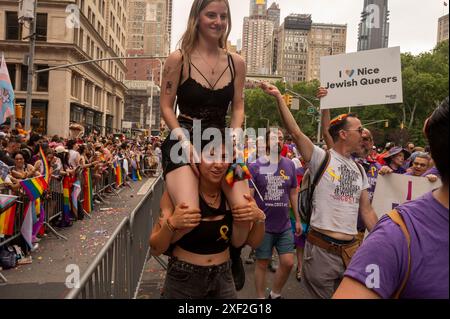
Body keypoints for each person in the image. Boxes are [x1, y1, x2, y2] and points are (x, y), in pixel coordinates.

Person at [259, 82, 378, 299]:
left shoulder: (360, 170)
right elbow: (295, 132)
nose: (363, 134)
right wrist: (278, 97)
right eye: (359, 129)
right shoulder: (322, 158)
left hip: (351, 253)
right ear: (343, 134)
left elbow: (367, 211)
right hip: (321, 253)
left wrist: (384, 238)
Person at [334, 97, 449, 299]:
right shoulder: (396, 235)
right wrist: (382, 239)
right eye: (360, 133)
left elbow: (368, 210)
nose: (364, 140)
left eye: (366, 136)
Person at [159, 0, 249, 219]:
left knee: (244, 210)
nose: (218, 22)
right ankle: (173, 245)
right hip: (182, 141)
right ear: (197, 18)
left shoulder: (236, 62)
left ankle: (232, 254)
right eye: (211, 15)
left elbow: (238, 107)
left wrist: (235, 138)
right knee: (189, 214)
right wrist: (185, 142)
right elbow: (166, 106)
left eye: (223, 16)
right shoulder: (178, 59)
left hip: (222, 142)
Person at [149, 136, 265, 299]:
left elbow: (253, 242)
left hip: (224, 277)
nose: (218, 164)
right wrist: (172, 224)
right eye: (211, 156)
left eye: (224, 157)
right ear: (196, 158)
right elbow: (155, 248)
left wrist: (259, 218)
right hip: (184, 279)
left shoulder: (234, 197)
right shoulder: (177, 196)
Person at [249, 129, 301, 299]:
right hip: (263, 227)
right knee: (262, 263)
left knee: (288, 263)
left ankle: (275, 294)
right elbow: (248, 197)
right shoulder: (255, 166)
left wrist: (298, 219)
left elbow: (293, 193)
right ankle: (260, 298)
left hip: (284, 224)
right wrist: (250, 220)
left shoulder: (290, 165)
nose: (278, 141)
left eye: (280, 138)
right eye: (274, 138)